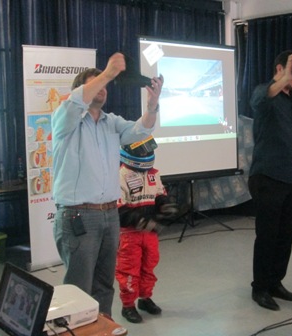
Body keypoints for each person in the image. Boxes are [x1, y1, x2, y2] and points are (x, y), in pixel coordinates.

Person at [51, 52, 164, 316]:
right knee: (79, 287)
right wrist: (108, 72)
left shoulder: (110, 122)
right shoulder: (65, 118)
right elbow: (74, 102)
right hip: (79, 215)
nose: (103, 89)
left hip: (109, 214)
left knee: (104, 284)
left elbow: (142, 130)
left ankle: (103, 327)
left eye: (105, 86)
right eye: (97, 84)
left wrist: (152, 105)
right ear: (82, 90)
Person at [248, 50, 292, 311]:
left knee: (286, 235)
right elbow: (261, 98)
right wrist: (285, 77)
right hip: (268, 177)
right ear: (280, 69)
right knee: (267, 236)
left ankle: (275, 282)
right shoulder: (265, 94)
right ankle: (259, 288)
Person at [115, 136, 178, 323]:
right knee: (129, 269)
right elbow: (120, 211)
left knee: (149, 265)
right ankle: (128, 305)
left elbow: (159, 194)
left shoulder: (153, 173)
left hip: (149, 234)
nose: (146, 153)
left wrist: (165, 205)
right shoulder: (120, 175)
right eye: (142, 150)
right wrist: (142, 221)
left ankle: (145, 297)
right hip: (129, 235)